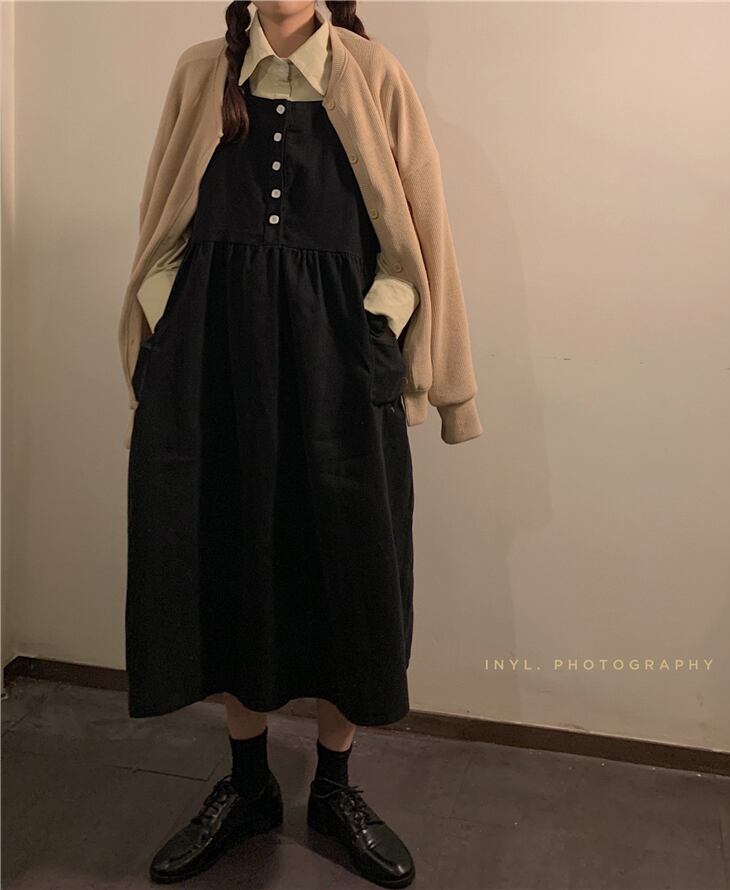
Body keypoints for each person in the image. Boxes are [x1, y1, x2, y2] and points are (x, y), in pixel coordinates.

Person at [119, 1, 483, 885]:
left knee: (349, 563)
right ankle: (247, 782)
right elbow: (162, 214)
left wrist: (379, 327)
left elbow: (419, 230)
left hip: (337, 365)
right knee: (227, 553)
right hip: (216, 361)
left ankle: (333, 788)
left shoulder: (374, 74)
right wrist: (171, 320)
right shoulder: (202, 70)